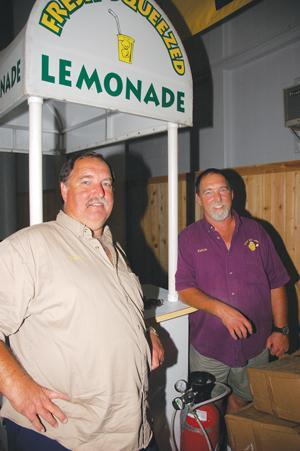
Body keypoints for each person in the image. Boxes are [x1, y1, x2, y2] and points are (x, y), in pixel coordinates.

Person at [0, 151, 164, 451]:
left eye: (107, 183)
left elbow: (122, 308)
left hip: (132, 429)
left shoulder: (115, 251)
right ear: (64, 189)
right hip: (63, 433)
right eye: (86, 181)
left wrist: (147, 332)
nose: (99, 192)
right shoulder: (29, 246)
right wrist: (17, 387)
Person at [175, 168, 290, 414]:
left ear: (232, 194)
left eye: (222, 190)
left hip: (255, 345)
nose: (217, 198)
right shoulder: (188, 239)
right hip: (209, 347)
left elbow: (277, 283)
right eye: (208, 192)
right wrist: (223, 312)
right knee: (207, 409)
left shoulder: (258, 232)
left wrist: (281, 330)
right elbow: (184, 288)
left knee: (246, 402)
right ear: (198, 199)